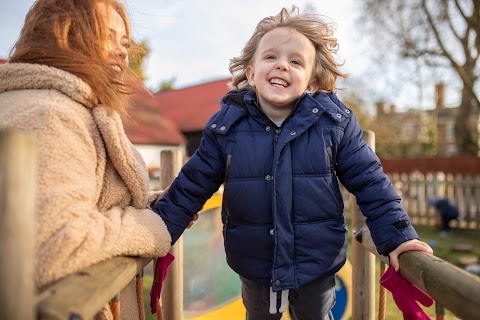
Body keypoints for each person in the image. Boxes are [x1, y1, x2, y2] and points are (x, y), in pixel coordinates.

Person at [154, 6, 433, 319]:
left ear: (311, 83)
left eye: (296, 61)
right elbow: (191, 187)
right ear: (251, 72)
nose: (282, 65)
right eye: (271, 57)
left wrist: (400, 237)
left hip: (316, 260)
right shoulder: (226, 127)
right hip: (254, 262)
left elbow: (371, 183)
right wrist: (157, 231)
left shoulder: (334, 124)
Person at [0, 0, 173, 319]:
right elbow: (57, 242)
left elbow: (86, 201)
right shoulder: (51, 115)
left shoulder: (66, 106)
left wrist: (151, 205)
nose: (122, 52)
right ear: (59, 35)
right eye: (107, 37)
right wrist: (150, 225)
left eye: (125, 43)